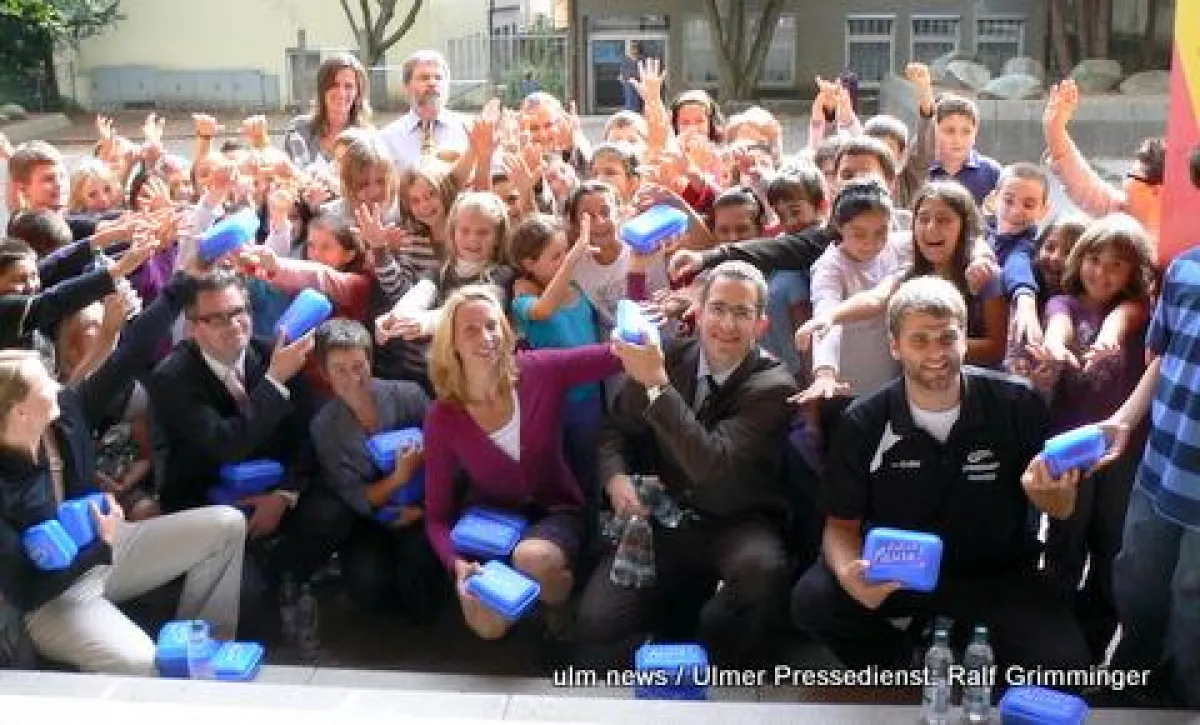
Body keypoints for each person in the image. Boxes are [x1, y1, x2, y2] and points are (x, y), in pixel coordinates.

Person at [790, 275, 1090, 673]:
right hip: (900, 573)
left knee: (1065, 666)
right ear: (894, 345)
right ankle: (905, 663)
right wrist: (851, 573)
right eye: (919, 340)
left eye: (947, 338)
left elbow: (1060, 508)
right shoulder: (864, 420)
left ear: (965, 339)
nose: (936, 352)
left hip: (994, 573)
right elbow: (840, 525)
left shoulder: (1018, 404)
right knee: (813, 601)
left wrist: (1052, 497)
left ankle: (972, 655)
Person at [0, 268, 245, 675]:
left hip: (111, 548)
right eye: (44, 381)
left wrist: (183, 284)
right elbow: (26, 590)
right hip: (53, 599)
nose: (57, 381)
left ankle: (200, 655)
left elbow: (131, 353)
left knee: (226, 525)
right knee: (137, 661)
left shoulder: (67, 416)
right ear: (19, 410)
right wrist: (101, 544)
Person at [575, 261, 797, 669]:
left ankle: (719, 652)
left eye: (742, 312)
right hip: (663, 516)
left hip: (735, 520)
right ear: (700, 312)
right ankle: (662, 648)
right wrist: (616, 478)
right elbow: (614, 432)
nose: (727, 323)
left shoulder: (774, 384)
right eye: (718, 308)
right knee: (595, 627)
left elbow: (710, 464)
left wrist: (658, 385)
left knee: (759, 572)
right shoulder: (671, 355)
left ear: (761, 325)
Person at [422, 286, 621, 641]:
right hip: (490, 526)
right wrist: (457, 564)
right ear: (450, 343)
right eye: (471, 329)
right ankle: (528, 603)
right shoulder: (442, 416)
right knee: (487, 625)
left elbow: (618, 354)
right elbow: (436, 515)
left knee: (533, 559)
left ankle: (560, 612)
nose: (486, 337)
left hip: (556, 511)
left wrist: (638, 280)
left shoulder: (540, 370)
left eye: (492, 326)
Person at [1091, 145, 1200, 707]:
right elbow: (1163, 358)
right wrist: (1122, 420)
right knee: (1137, 582)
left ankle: (1183, 700)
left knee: (1192, 604)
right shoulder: (1184, 270)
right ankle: (1131, 680)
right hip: (1160, 472)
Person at [307, 319, 444, 621]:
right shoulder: (324, 427)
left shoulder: (408, 395)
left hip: (424, 506)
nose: (353, 377)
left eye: (359, 365)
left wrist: (423, 508)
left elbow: (447, 457)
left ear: (370, 361)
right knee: (367, 582)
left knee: (421, 566)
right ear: (324, 373)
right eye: (340, 369)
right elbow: (353, 493)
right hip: (370, 517)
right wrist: (398, 478)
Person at [378, 50, 470, 172]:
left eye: (438, 78)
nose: (432, 83)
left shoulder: (469, 129)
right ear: (406, 86)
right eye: (424, 78)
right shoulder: (387, 139)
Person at [281, 53, 372, 171]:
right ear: (322, 89)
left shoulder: (367, 138)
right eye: (334, 85)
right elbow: (286, 176)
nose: (341, 93)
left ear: (358, 92)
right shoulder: (299, 130)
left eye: (348, 86)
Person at [619, 42, 643, 114]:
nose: (634, 50)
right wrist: (627, 76)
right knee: (629, 98)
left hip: (637, 82)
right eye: (633, 49)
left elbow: (640, 71)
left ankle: (636, 112)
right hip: (628, 82)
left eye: (636, 49)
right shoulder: (626, 59)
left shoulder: (640, 59)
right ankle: (629, 113)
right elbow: (623, 71)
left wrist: (636, 76)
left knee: (636, 99)